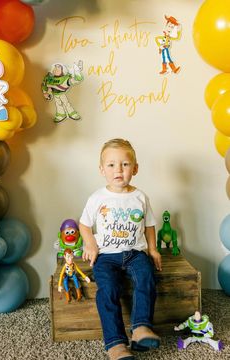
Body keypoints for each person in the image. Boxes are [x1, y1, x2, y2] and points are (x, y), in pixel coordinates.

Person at [79, 138, 162, 360]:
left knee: (146, 278)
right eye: (111, 165)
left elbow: (150, 224)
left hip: (135, 253)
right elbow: (84, 224)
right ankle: (115, 343)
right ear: (101, 169)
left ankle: (141, 327)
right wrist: (90, 244)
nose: (119, 170)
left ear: (135, 168)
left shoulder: (140, 197)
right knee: (108, 290)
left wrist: (152, 250)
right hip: (106, 256)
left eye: (125, 164)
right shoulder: (98, 198)